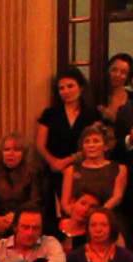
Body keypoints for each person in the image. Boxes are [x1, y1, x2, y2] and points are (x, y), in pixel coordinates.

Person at [37, 66, 101, 209]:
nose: (66, 91)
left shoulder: (92, 114)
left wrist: (67, 161)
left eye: (70, 86)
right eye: (61, 88)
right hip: (54, 170)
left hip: (83, 169)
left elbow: (96, 145)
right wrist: (54, 162)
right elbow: (40, 145)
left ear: (81, 87)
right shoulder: (50, 113)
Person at [0, 132, 44, 240]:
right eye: (6, 150)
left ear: (24, 153)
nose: (11, 153)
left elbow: (35, 201)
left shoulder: (33, 172)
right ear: (1, 153)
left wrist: (16, 216)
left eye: (16, 150)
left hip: (24, 220)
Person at [61, 123, 126, 216]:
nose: (91, 145)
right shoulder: (71, 170)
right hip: (78, 221)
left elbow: (117, 197)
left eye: (96, 141)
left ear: (105, 146)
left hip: (107, 220)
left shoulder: (119, 169)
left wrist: (96, 217)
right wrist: (78, 217)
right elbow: (65, 204)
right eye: (87, 141)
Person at [99, 53, 133, 126]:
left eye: (123, 72)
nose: (117, 75)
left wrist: (114, 119)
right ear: (108, 70)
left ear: (128, 76)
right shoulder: (99, 95)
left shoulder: (131, 98)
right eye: (114, 70)